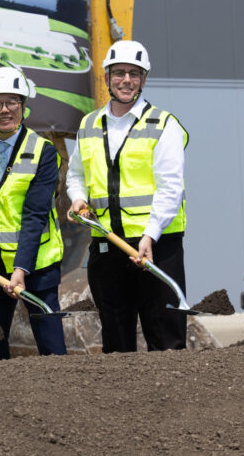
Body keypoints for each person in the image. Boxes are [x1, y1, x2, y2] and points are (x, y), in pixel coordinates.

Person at [66, 39, 188, 353]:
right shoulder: (89, 124)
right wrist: (78, 198)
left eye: (134, 74)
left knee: (165, 339)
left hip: (157, 246)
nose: (126, 80)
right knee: (116, 341)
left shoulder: (163, 125)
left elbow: (170, 187)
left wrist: (150, 235)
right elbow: (76, 175)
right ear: (106, 78)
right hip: (108, 246)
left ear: (143, 80)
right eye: (119, 73)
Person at [0, 67, 67, 360]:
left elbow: (35, 215)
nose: (3, 109)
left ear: (23, 105)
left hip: (36, 269)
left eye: (11, 102)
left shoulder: (42, 151)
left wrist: (21, 269)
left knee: (51, 348)